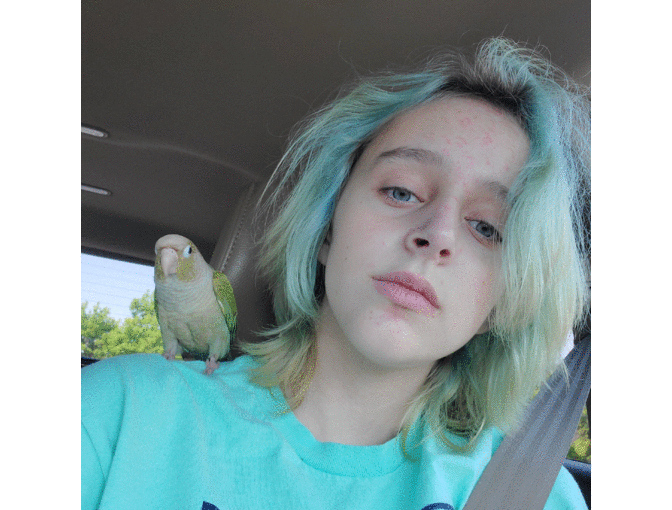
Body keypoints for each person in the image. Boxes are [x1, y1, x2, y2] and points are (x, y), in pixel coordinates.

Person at [82, 37, 590, 509]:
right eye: (401, 191)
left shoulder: (537, 494)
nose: (437, 235)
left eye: (487, 228)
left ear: (501, 301)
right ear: (326, 228)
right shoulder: (118, 412)